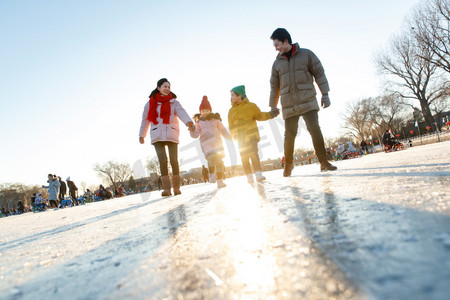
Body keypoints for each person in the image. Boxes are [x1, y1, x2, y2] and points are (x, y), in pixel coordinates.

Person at [269, 28, 337, 176]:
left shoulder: (306, 54)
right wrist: (273, 106)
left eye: (277, 44)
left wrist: (325, 94)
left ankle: (323, 162)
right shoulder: (277, 63)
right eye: (274, 46)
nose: (276, 48)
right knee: (289, 135)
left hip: (307, 99)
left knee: (314, 129)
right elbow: (275, 86)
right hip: (289, 103)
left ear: (286, 41)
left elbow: (319, 73)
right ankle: (288, 165)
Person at [139, 78, 195, 196]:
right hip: (157, 134)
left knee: (174, 160)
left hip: (171, 133)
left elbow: (182, 113)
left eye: (169, 87)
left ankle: (176, 188)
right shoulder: (150, 103)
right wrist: (142, 135)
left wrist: (189, 123)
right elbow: (145, 120)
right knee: (162, 161)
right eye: (165, 86)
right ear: (158, 88)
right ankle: (167, 189)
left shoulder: (174, 102)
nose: (167, 89)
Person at [228, 85, 277, 183]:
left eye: (233, 95)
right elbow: (231, 126)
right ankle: (249, 175)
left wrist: (271, 114)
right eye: (231, 95)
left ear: (240, 96)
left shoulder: (251, 106)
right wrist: (233, 137)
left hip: (251, 135)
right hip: (240, 138)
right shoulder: (231, 111)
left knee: (254, 153)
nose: (231, 97)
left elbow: (260, 115)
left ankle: (258, 173)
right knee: (244, 157)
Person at [190, 96, 232, 188]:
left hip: (218, 143)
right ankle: (212, 174)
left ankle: (220, 181)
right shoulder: (198, 123)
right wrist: (191, 129)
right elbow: (195, 134)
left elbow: (223, 130)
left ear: (210, 110)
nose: (205, 112)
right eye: (203, 111)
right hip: (207, 144)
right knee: (211, 158)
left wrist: (229, 137)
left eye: (207, 110)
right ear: (200, 112)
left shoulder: (216, 120)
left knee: (220, 162)